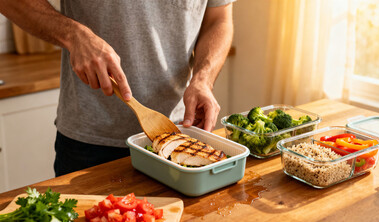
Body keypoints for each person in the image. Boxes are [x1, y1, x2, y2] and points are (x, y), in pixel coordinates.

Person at [0, 0, 234, 176]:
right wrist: (74, 34)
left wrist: (204, 78)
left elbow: (219, 19)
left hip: (180, 135)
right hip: (90, 144)